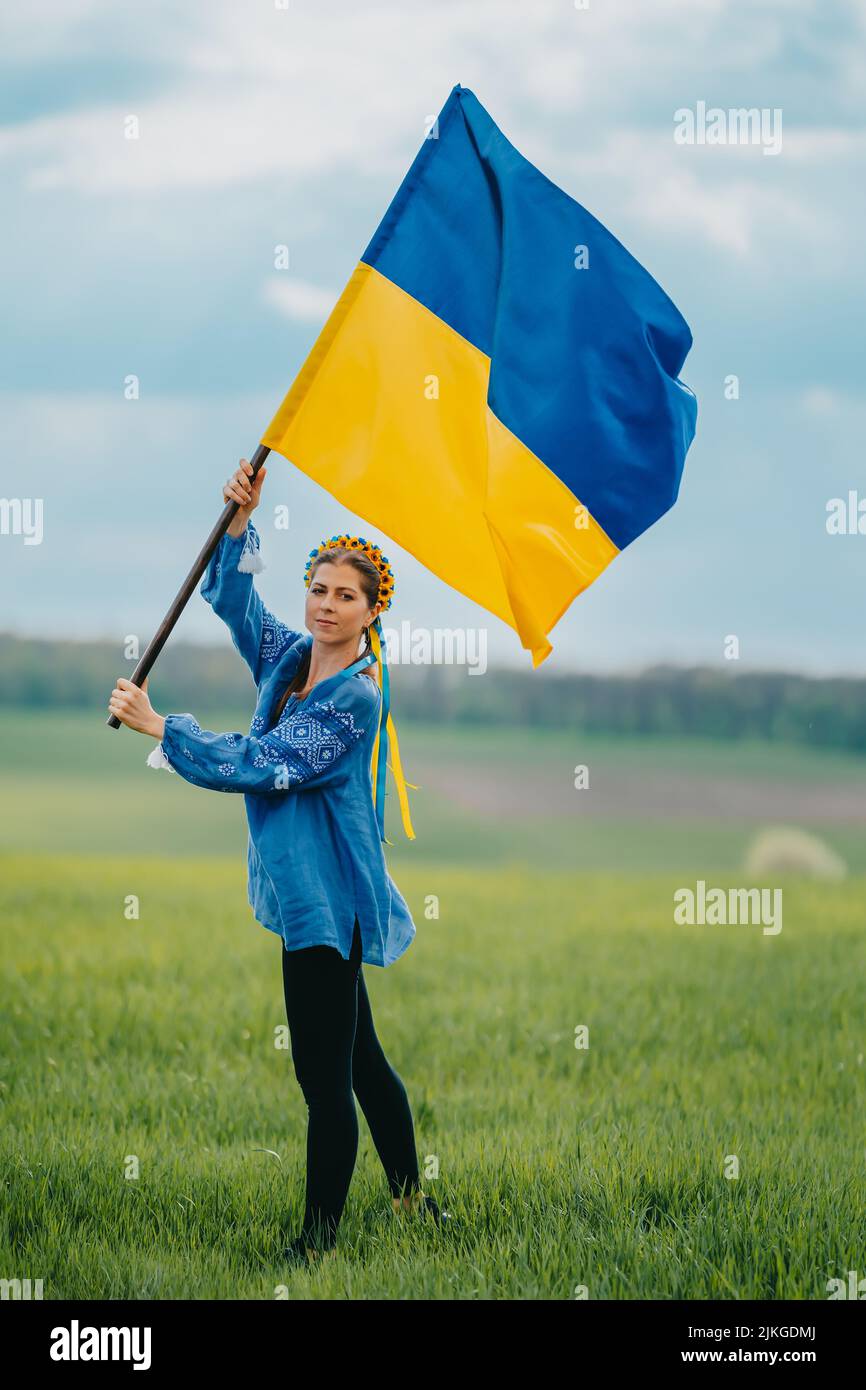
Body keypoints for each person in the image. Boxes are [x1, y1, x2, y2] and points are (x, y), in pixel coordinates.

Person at [108, 457, 449, 1266]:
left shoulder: (353, 697)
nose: (328, 606)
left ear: (372, 614)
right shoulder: (291, 659)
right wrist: (237, 519)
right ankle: (412, 1204)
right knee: (361, 1059)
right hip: (307, 894)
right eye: (320, 589)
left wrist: (165, 727)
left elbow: (267, 765)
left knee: (323, 1082)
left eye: (347, 596)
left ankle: (316, 1246)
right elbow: (233, 599)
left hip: (327, 906)